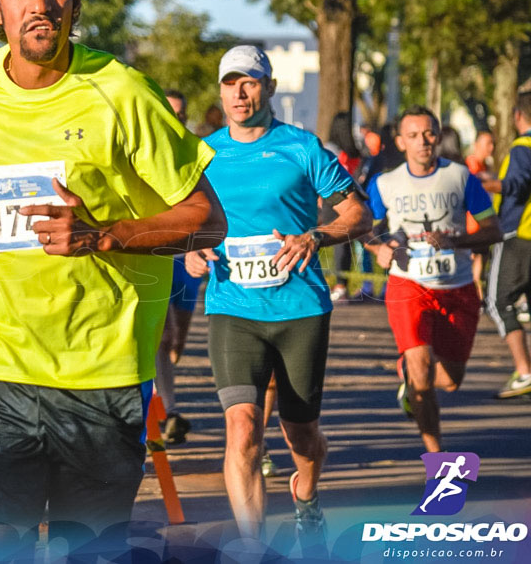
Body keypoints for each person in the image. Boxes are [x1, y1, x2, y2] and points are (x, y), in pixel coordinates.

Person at [0, 0, 227, 557]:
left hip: (98, 372)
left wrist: (105, 235)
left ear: (74, 2)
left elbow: (207, 218)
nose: (40, 2)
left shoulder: (121, 92)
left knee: (93, 551)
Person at [184, 45, 371, 540]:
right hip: (233, 307)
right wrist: (193, 251)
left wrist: (316, 235)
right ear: (220, 91)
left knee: (300, 434)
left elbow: (359, 213)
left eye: (249, 82)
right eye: (230, 82)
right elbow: (186, 226)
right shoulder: (202, 154)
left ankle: (306, 494)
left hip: (299, 308)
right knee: (243, 429)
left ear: (267, 87)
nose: (239, 92)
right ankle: (253, 545)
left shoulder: (302, 147)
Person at [362, 106, 499, 452]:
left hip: (458, 287)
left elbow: (492, 230)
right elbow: (365, 227)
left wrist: (457, 240)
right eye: (413, 136)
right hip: (408, 286)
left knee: (450, 381)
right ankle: (436, 458)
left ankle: (410, 378)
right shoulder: (385, 183)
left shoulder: (461, 177)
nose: (423, 142)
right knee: (422, 369)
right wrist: (378, 247)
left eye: (429, 134)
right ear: (400, 142)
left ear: (438, 135)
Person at [484, 91, 531, 399]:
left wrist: (486, 183)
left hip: (519, 234)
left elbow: (517, 184)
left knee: (499, 302)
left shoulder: (525, 146)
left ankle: (525, 371)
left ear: (517, 116)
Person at [155, 89, 203, 445]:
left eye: (181, 113)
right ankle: (164, 411)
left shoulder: (193, 151)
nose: (177, 118)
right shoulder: (147, 148)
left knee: (176, 342)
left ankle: (162, 402)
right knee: (164, 336)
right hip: (156, 256)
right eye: (170, 111)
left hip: (187, 258)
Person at [324, 112, 362, 302]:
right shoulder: (354, 150)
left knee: (342, 242)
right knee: (347, 243)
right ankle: (343, 284)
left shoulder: (330, 150)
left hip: (333, 200)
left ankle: (341, 284)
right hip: (352, 197)